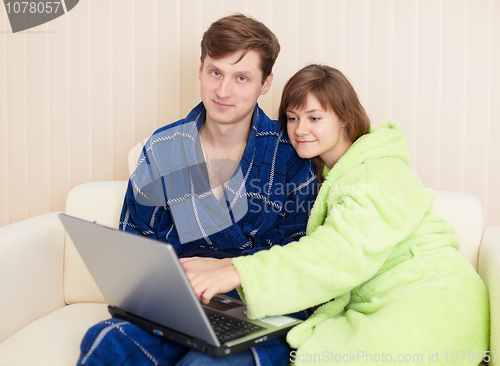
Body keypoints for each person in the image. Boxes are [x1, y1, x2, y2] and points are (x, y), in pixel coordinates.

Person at [187, 64, 490, 365]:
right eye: (292, 118)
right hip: (385, 298)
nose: (299, 129)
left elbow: (338, 252)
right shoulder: (330, 175)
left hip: (433, 300)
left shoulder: (379, 172)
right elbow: (318, 250)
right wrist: (223, 263)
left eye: (314, 118)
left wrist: (238, 273)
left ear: (345, 118)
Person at [77, 15, 318, 366]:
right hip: (178, 304)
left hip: (260, 307)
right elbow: (137, 242)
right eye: (215, 73)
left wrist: (229, 268)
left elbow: (305, 258)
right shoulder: (163, 148)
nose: (223, 91)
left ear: (265, 84)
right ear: (201, 69)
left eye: (241, 78)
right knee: (106, 341)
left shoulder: (289, 154)